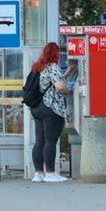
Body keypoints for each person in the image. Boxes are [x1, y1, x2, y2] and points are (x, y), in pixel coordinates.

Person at [29, 41, 70, 183]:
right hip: (51, 109)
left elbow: (48, 82)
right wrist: (68, 90)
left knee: (39, 141)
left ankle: (38, 174)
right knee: (51, 142)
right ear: (56, 54)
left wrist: (68, 72)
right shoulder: (53, 67)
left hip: (37, 108)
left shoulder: (37, 67)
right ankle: (51, 173)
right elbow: (59, 86)